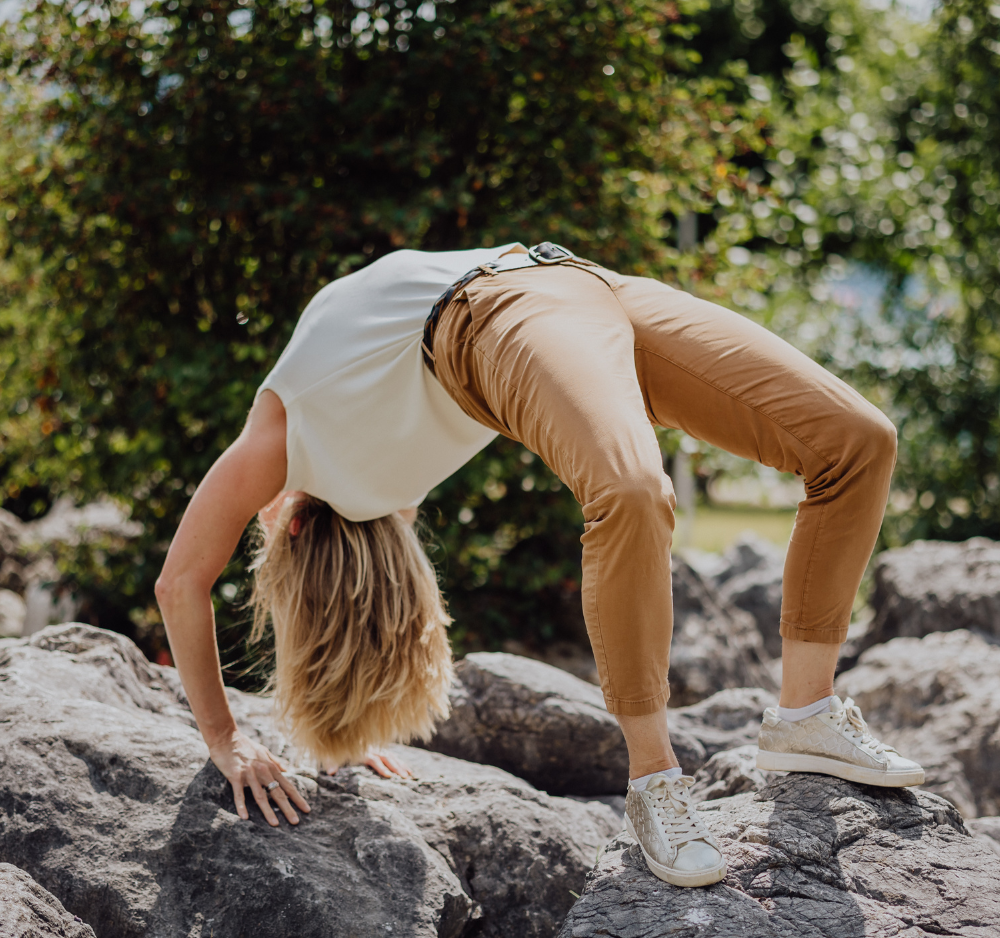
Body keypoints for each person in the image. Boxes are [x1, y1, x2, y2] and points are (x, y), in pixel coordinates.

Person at [155, 241, 924, 890]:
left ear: (295, 522)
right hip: (497, 312)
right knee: (628, 491)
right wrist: (257, 740)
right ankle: (656, 781)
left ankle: (804, 716)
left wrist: (228, 736)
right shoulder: (361, 480)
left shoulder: (283, 444)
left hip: (573, 283)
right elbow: (335, 611)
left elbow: (181, 580)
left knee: (855, 440)